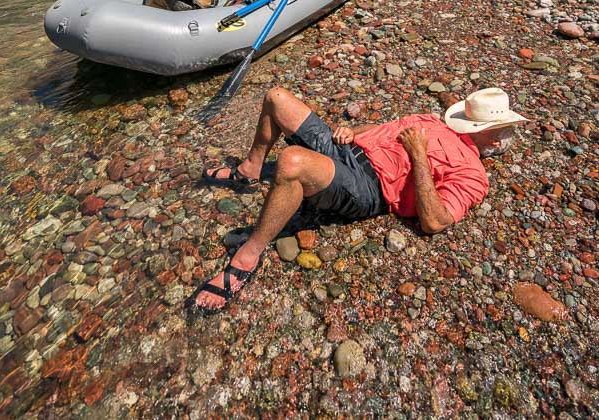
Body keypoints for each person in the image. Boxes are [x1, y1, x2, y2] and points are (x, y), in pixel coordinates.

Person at [187, 86, 529, 315]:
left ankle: (249, 255)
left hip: (368, 186)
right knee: (276, 97)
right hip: (347, 149)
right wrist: (355, 132)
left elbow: (436, 221)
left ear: (492, 142)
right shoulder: (430, 120)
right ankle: (250, 168)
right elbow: (382, 128)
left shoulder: (472, 174)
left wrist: (419, 156)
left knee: (292, 162)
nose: (506, 135)